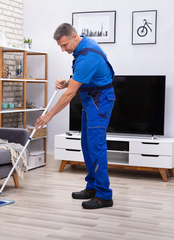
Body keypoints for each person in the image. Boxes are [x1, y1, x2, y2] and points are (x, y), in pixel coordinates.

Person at [34, 23, 115, 209]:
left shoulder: (88, 55)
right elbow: (83, 80)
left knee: (96, 146)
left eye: (64, 45)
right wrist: (68, 82)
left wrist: (49, 115)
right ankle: (92, 187)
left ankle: (104, 196)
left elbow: (71, 94)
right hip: (91, 100)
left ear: (74, 36)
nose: (63, 50)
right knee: (87, 144)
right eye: (60, 47)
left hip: (100, 101)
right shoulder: (81, 49)